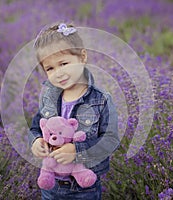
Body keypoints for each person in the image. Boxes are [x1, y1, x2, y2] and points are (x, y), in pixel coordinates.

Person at [28, 22, 120, 200]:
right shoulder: (49, 98)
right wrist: (36, 141)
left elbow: (111, 140)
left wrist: (77, 150)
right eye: (50, 68)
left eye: (63, 63)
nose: (58, 73)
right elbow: (35, 127)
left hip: (84, 187)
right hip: (52, 185)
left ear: (82, 57)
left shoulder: (100, 100)